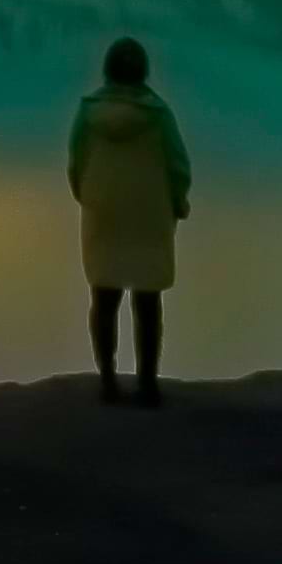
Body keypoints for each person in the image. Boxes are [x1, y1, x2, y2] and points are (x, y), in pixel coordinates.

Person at [68, 37, 189, 405]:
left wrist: (87, 198)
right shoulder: (159, 113)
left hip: (103, 212)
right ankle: (147, 385)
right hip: (149, 214)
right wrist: (177, 203)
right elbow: (178, 165)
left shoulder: (88, 113)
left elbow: (76, 163)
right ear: (143, 72)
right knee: (147, 300)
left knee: (104, 296)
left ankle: (108, 383)